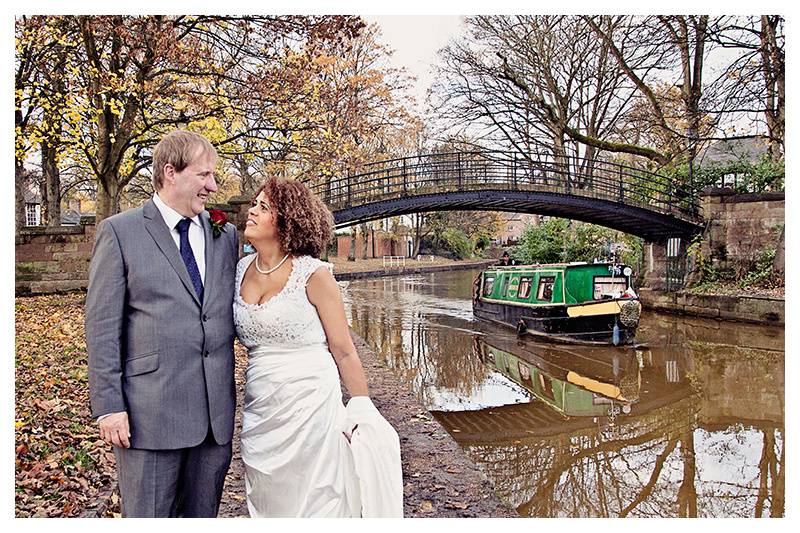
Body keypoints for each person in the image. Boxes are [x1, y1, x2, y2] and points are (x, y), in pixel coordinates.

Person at [85, 130, 239, 517]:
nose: (213, 186)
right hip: (149, 416)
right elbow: (102, 326)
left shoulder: (225, 233)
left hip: (213, 421)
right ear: (170, 172)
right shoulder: (121, 232)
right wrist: (108, 406)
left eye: (213, 176)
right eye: (204, 175)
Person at [235, 176, 402, 517]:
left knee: (317, 497)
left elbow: (343, 349)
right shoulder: (239, 269)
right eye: (255, 203)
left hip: (311, 405)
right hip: (261, 408)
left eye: (263, 207)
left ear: (287, 220)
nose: (251, 211)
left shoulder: (314, 275)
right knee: (270, 500)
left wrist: (361, 406)